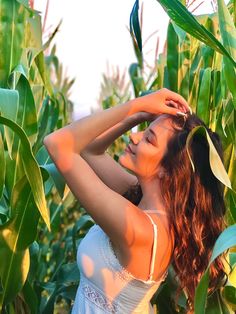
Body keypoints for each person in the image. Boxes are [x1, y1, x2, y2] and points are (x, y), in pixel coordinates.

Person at [43, 88, 228, 313]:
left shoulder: (142, 232)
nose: (134, 136)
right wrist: (137, 116)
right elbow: (91, 152)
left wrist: (138, 104)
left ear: (169, 171)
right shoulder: (143, 200)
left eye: (148, 139)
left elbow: (57, 144)